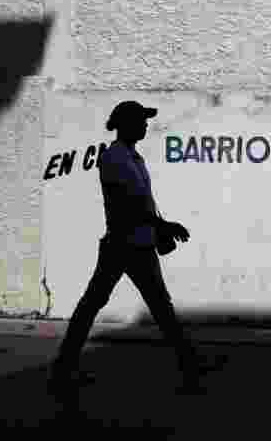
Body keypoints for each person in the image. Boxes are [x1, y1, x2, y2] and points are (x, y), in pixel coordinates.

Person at [48, 100, 203, 394]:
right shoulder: (115, 159)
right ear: (127, 123)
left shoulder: (133, 157)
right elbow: (128, 204)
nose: (146, 125)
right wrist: (163, 226)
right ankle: (189, 366)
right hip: (124, 245)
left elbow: (142, 202)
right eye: (142, 120)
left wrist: (160, 226)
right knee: (126, 306)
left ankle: (63, 368)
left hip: (137, 244)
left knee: (137, 306)